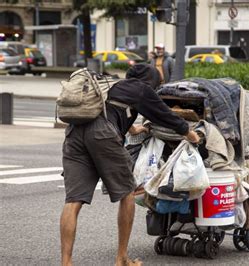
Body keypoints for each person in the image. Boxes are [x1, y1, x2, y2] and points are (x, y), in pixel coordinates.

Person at [59, 64, 199, 266]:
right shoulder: (142, 89)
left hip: (74, 134)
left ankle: (66, 263)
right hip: (102, 135)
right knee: (127, 194)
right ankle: (122, 259)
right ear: (150, 81)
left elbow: (108, 110)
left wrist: (134, 129)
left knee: (73, 201)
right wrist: (190, 134)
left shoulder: (113, 85)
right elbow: (165, 116)